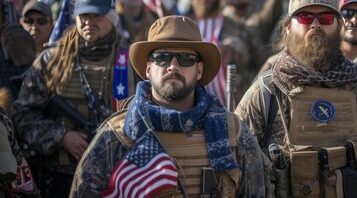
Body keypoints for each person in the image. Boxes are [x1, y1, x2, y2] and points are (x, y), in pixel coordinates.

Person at [70, 16, 271, 197]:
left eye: (186, 59)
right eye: (162, 57)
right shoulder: (117, 136)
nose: (173, 66)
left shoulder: (233, 133)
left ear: (199, 70)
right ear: (148, 69)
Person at [236, 0, 357, 197]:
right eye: (306, 17)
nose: (315, 24)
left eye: (325, 18)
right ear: (288, 26)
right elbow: (238, 163)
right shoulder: (268, 90)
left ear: (339, 25)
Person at [11, 0, 136, 198]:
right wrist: (61, 136)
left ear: (112, 17)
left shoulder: (131, 62)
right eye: (83, 16)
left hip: (117, 176)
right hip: (61, 176)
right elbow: (21, 115)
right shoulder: (52, 61)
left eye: (96, 15)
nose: (88, 22)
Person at [185, 0, 262, 104]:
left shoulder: (236, 25)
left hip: (235, 102)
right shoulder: (185, 26)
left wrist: (232, 51)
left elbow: (257, 57)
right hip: (195, 104)